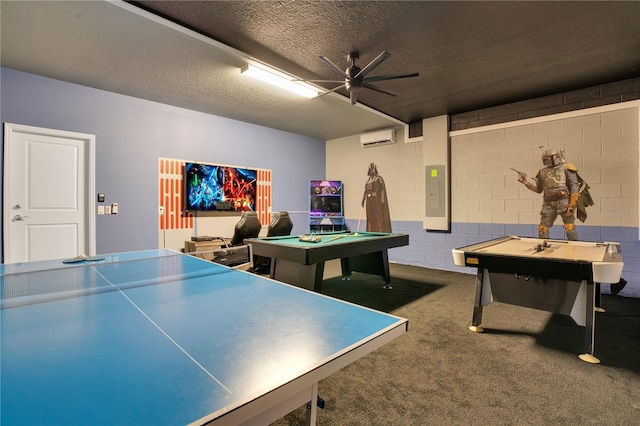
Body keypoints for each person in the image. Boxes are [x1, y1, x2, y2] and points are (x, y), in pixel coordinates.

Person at [518, 148, 580, 240]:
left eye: (548, 158)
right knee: (542, 228)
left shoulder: (567, 167)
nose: (546, 161)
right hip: (548, 204)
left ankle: (573, 249)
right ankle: (544, 249)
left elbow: (574, 186)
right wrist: (525, 183)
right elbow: (538, 190)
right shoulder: (542, 172)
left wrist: (572, 204)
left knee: (569, 227)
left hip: (563, 202)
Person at [361, 163, 392, 233]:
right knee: (370, 217)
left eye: (373, 169)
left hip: (376, 200)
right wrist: (363, 200)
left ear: (375, 170)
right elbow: (365, 191)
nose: (372, 171)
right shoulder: (368, 180)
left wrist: (382, 200)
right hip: (369, 200)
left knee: (378, 216)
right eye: (370, 169)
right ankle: (370, 231)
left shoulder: (379, 178)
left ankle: (381, 231)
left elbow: (382, 190)